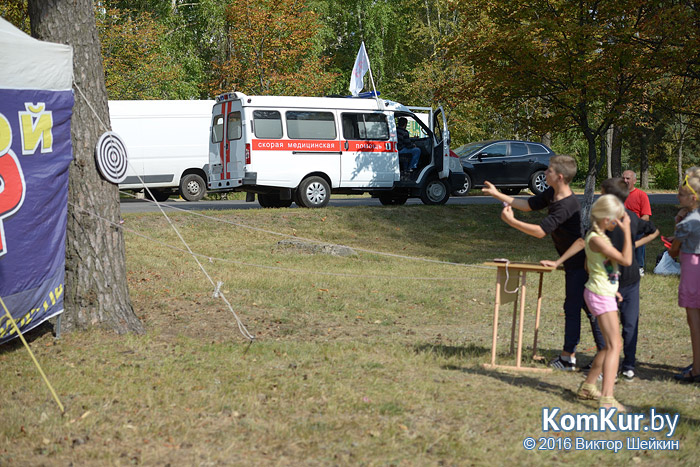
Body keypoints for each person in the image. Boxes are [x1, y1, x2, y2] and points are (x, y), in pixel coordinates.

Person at [483, 155, 605, 371]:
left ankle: (574, 358)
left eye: (549, 170)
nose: (545, 172)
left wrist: (512, 222)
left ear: (559, 177)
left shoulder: (566, 205)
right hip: (571, 262)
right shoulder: (553, 193)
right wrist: (497, 194)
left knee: (580, 308)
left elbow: (540, 231)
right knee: (585, 308)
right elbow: (529, 204)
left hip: (581, 263)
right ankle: (597, 356)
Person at [544, 178, 659, 381]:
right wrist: (558, 261)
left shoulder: (623, 222)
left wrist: (631, 243)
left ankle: (618, 370)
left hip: (621, 284)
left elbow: (649, 235)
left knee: (622, 333)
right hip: (605, 288)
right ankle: (603, 378)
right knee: (610, 341)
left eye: (602, 193)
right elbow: (606, 253)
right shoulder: (601, 230)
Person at [577, 195, 632, 411]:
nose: (617, 223)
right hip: (599, 295)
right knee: (614, 345)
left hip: (602, 292)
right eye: (616, 219)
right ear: (605, 217)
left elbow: (591, 266)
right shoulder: (597, 239)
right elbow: (626, 260)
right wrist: (627, 232)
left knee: (609, 345)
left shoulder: (599, 236)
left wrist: (612, 289)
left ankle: (588, 386)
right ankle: (607, 397)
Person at [669, 167, 700, 384]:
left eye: (681, 194)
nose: (677, 197)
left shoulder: (688, 222)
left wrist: (677, 224)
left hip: (692, 271)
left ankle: (696, 370)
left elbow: (673, 250)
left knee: (694, 322)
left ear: (693, 197)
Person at [622, 170, 652, 275]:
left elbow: (646, 217)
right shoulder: (617, 195)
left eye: (628, 178)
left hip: (636, 226)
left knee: (639, 235)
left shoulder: (641, 195)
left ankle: (639, 266)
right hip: (619, 225)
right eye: (623, 178)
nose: (625, 180)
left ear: (634, 181)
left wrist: (633, 224)